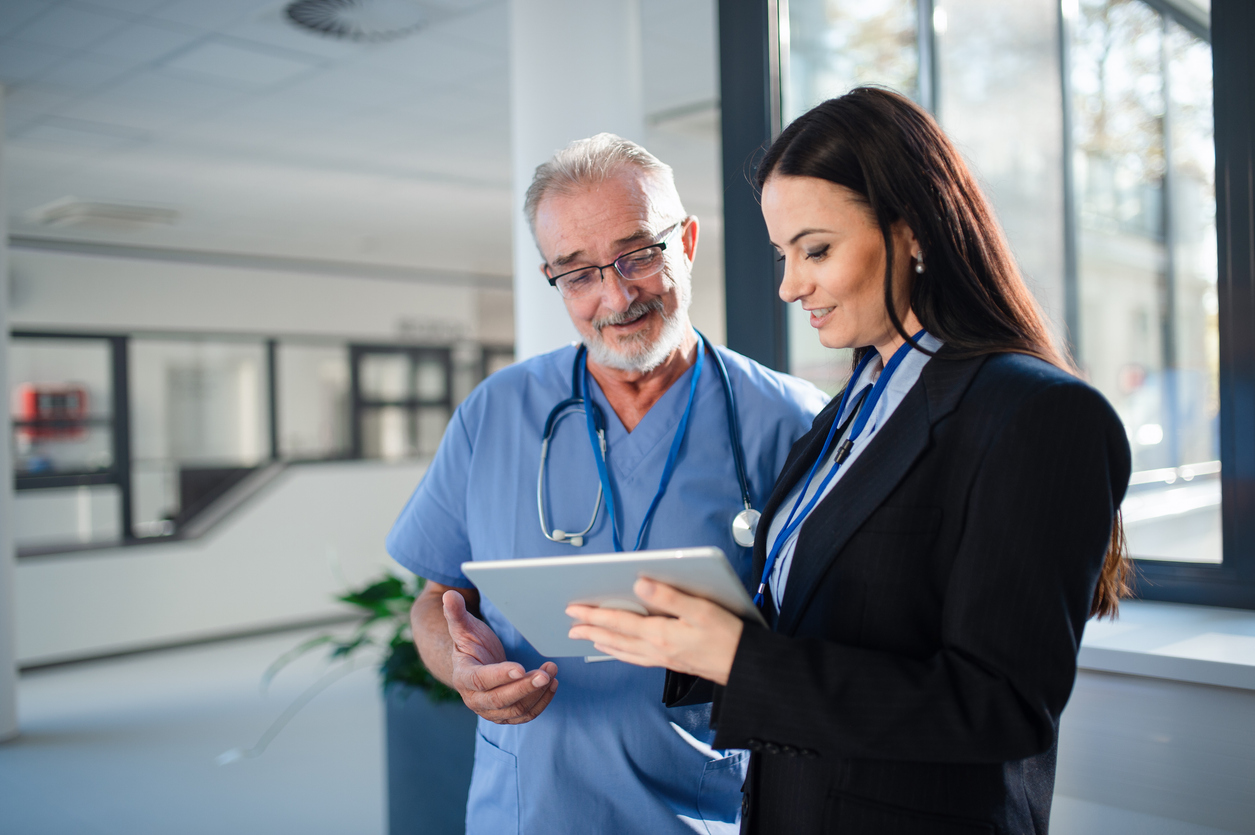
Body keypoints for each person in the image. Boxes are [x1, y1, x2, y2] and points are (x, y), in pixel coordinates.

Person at [567, 88, 1132, 834]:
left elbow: (1000, 708)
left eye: (816, 249)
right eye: (782, 254)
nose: (788, 285)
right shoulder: (852, 407)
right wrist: (698, 633)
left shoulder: (1035, 414)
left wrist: (743, 659)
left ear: (913, 232)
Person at [386, 133, 827, 835]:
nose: (615, 295)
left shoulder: (789, 421)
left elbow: (831, 642)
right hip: (527, 810)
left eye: (638, 255)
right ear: (553, 278)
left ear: (685, 240)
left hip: (707, 808)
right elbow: (437, 599)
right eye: (578, 273)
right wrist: (461, 670)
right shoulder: (495, 413)